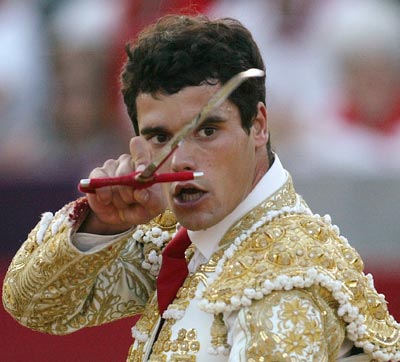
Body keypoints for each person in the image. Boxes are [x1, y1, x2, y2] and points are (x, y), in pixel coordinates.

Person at [2, 14, 400, 361]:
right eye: (160, 137)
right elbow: (35, 306)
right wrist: (103, 225)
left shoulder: (287, 287)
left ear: (258, 125)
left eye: (207, 131)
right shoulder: (184, 238)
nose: (181, 160)